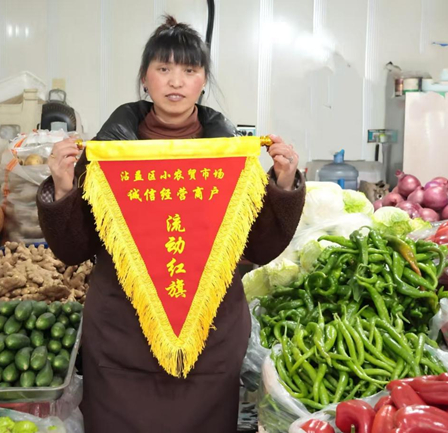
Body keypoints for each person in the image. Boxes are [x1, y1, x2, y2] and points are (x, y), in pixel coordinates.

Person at [37, 15, 305, 433]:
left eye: (189, 70)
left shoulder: (230, 157)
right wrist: (63, 186)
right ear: (145, 79)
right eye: (163, 69)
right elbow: (73, 250)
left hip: (209, 341)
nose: (176, 81)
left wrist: (283, 185)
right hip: (122, 341)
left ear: (203, 80)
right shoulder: (109, 154)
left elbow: (259, 248)